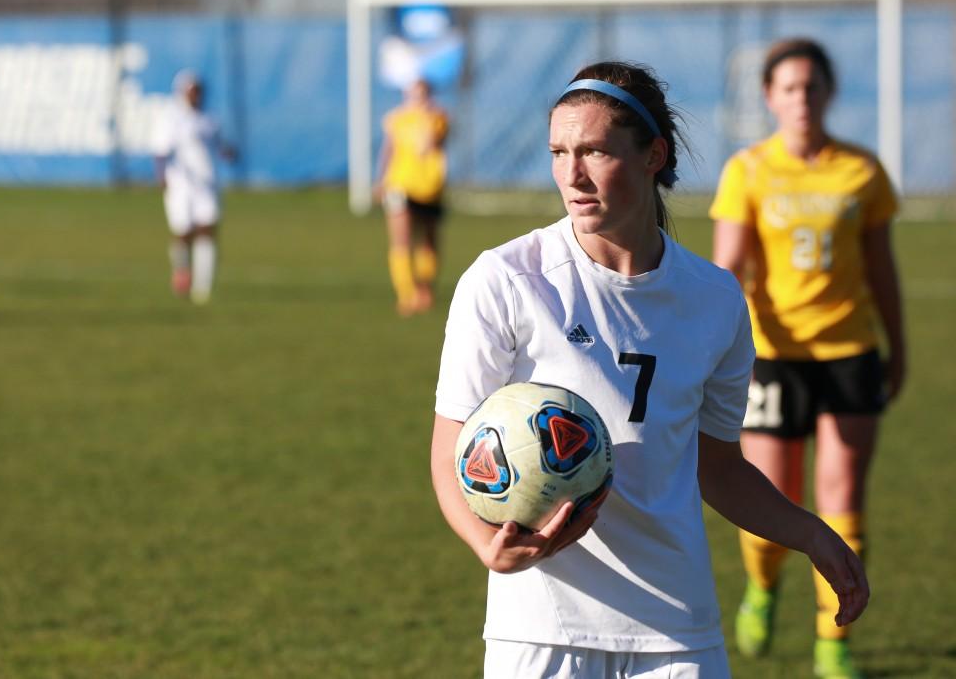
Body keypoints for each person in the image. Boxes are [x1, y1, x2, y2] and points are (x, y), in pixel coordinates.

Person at [430, 60, 869, 679]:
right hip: (541, 627)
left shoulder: (714, 300)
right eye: (558, 152)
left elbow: (717, 468)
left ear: (652, 155)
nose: (571, 174)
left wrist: (811, 533)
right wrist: (487, 546)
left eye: (594, 151)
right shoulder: (506, 280)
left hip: (676, 629)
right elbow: (449, 446)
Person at [710, 38, 904, 679]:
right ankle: (763, 588)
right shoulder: (748, 170)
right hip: (774, 358)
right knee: (772, 501)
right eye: (789, 87)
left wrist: (896, 345)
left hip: (850, 352)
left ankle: (834, 640)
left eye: (811, 86)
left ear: (829, 93)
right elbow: (725, 271)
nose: (801, 98)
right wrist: (712, 348)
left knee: (843, 495)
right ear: (769, 97)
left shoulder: (862, 170)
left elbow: (881, 268)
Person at [153, 69, 235, 306]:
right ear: (181, 92)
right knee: (184, 233)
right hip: (181, 185)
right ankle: (182, 270)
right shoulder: (172, 118)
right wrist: (162, 176)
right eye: (191, 91)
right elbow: (161, 151)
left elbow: (219, 146)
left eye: (198, 91)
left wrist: (227, 153)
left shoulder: (209, 118)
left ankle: (203, 288)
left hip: (206, 184)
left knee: (207, 230)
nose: (195, 95)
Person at [375, 78, 449, 316]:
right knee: (401, 238)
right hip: (400, 184)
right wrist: (381, 180)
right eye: (413, 94)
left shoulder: (438, 117)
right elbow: (389, 148)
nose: (417, 99)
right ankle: (406, 293)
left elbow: (428, 144)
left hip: (429, 186)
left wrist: (426, 116)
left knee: (427, 240)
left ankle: (425, 288)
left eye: (422, 94)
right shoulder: (396, 119)